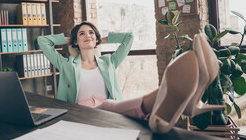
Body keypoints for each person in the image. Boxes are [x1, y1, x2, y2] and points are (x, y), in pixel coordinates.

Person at [38, 21, 225, 133]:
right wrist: (70, 39)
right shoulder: (66, 65)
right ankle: (176, 95)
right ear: (75, 42)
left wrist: (100, 38)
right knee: (110, 105)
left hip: (108, 111)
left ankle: (163, 117)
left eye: (91, 33)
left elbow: (128, 37)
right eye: (82, 34)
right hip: (82, 113)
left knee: (117, 109)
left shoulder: (108, 62)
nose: (88, 35)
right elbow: (42, 41)